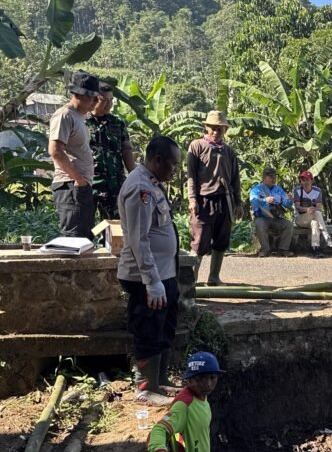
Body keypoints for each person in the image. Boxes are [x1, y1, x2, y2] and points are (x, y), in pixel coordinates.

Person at [117, 136, 182, 406]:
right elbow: (138, 238)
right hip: (146, 277)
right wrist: (151, 281)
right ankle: (145, 388)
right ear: (157, 160)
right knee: (148, 329)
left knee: (164, 326)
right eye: (173, 164)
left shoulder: (153, 184)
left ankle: (160, 380)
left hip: (164, 273)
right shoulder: (140, 187)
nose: (175, 170)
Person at [187, 111, 243, 285]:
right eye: (213, 128)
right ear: (206, 127)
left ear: (225, 130)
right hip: (203, 200)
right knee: (200, 240)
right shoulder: (196, 146)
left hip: (224, 200)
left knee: (221, 240)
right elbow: (191, 176)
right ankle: (191, 279)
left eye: (220, 129)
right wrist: (192, 199)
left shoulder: (229, 152)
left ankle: (214, 277)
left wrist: (238, 202)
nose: (216, 132)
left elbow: (235, 179)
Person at [49, 70, 101, 238]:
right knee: (73, 237)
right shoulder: (65, 115)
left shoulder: (80, 117)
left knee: (84, 237)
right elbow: (55, 151)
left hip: (80, 185)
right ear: (79, 95)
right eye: (92, 97)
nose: (96, 102)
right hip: (70, 185)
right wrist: (78, 179)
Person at [87, 83, 135, 221]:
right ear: (94, 99)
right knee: (84, 227)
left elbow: (126, 150)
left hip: (114, 184)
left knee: (115, 226)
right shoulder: (82, 121)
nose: (109, 104)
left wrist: (134, 174)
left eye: (111, 100)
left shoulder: (117, 123)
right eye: (105, 100)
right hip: (90, 183)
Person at [249, 167, 294, 257]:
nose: (273, 179)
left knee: (288, 224)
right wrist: (265, 200)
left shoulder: (278, 189)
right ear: (264, 177)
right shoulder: (256, 189)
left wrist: (289, 200)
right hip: (262, 218)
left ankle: (283, 249)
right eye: (271, 177)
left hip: (275, 218)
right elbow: (253, 201)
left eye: (274, 177)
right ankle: (265, 250)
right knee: (259, 224)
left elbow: (286, 204)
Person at [293, 170, 332, 259]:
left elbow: (318, 207)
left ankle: (315, 248)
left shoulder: (317, 191)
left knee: (315, 222)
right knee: (317, 214)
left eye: (307, 179)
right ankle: (327, 237)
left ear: (312, 180)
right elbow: (297, 207)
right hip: (300, 218)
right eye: (303, 179)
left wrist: (313, 210)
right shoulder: (297, 191)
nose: (305, 182)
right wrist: (307, 210)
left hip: (313, 216)